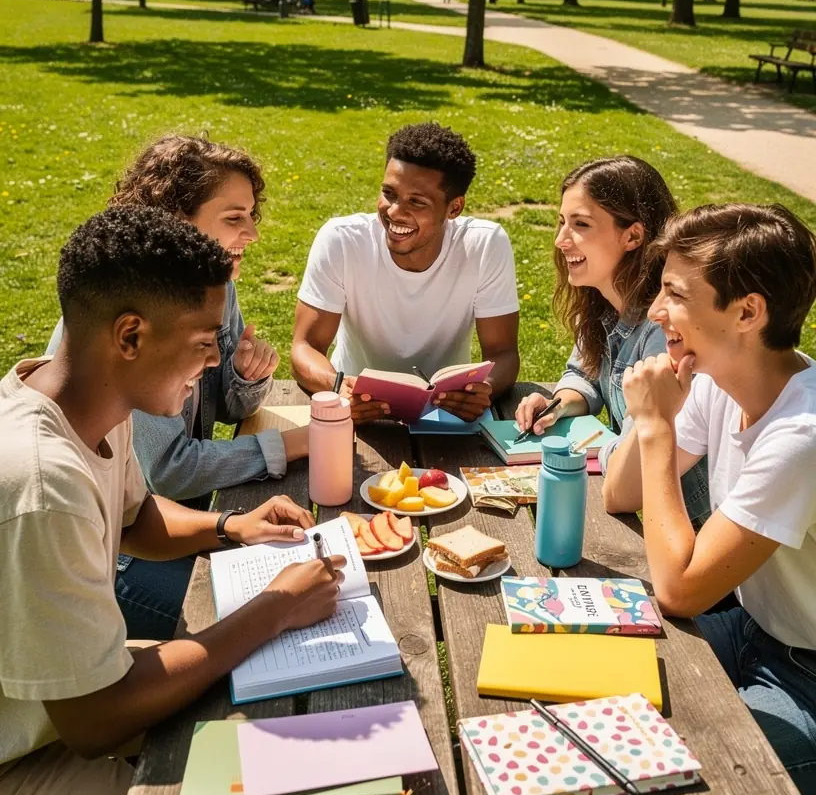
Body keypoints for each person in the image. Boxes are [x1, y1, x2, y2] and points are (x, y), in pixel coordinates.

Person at [0, 205, 345, 795]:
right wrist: (273, 607)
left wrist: (232, 527)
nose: (214, 361)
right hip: (21, 759)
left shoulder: (86, 397)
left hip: (47, 708)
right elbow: (95, 722)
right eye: (202, 343)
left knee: (248, 748)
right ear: (130, 335)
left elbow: (135, 519)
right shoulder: (40, 481)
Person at [527, 202, 816, 795]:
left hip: (807, 681)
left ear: (748, 311)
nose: (656, 311)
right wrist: (645, 416)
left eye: (678, 294)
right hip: (752, 629)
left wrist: (652, 428)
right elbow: (622, 494)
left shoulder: (802, 436)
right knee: (552, 695)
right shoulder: (721, 380)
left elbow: (681, 588)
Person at [48, 135, 307, 640]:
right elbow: (166, 470)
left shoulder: (211, 288)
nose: (252, 233)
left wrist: (247, 379)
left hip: (162, 524)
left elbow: (136, 507)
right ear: (174, 217)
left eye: (252, 215)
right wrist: (287, 447)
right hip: (118, 567)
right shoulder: (129, 335)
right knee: (270, 611)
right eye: (234, 218)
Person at [514, 156, 709, 527]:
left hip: (701, 536)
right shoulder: (604, 305)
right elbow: (584, 374)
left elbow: (621, 488)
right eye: (561, 223)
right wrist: (559, 404)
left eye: (580, 225)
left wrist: (608, 447)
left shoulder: (664, 332)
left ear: (633, 236)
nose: (560, 240)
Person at [291, 121, 520, 423]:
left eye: (417, 202)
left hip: (446, 415)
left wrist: (483, 390)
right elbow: (304, 347)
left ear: (454, 208)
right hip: (359, 410)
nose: (395, 211)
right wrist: (338, 386)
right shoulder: (342, 239)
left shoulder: (484, 245)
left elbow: (503, 353)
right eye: (389, 193)